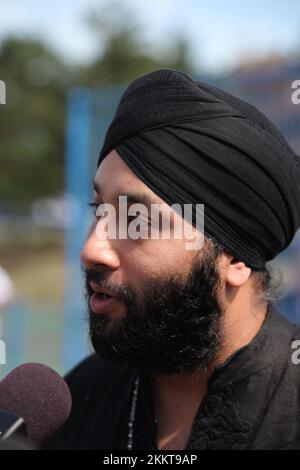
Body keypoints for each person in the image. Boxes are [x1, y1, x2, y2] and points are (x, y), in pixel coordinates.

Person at [43, 69, 300, 450]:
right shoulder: (76, 402)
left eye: (137, 220)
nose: (91, 249)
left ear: (234, 258)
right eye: (98, 209)